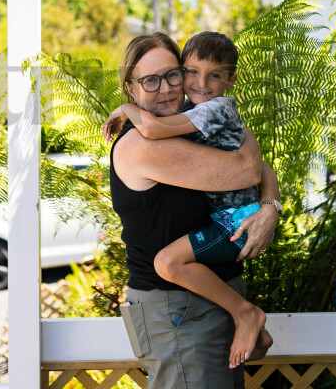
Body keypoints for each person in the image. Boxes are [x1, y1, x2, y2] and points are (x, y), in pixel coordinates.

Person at [108, 32, 280, 389]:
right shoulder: (142, 143)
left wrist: (271, 207)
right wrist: (128, 112)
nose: (167, 88)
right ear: (130, 87)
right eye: (150, 80)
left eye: (172, 74)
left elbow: (257, 162)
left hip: (211, 301)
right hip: (179, 313)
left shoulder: (189, 121)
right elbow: (247, 167)